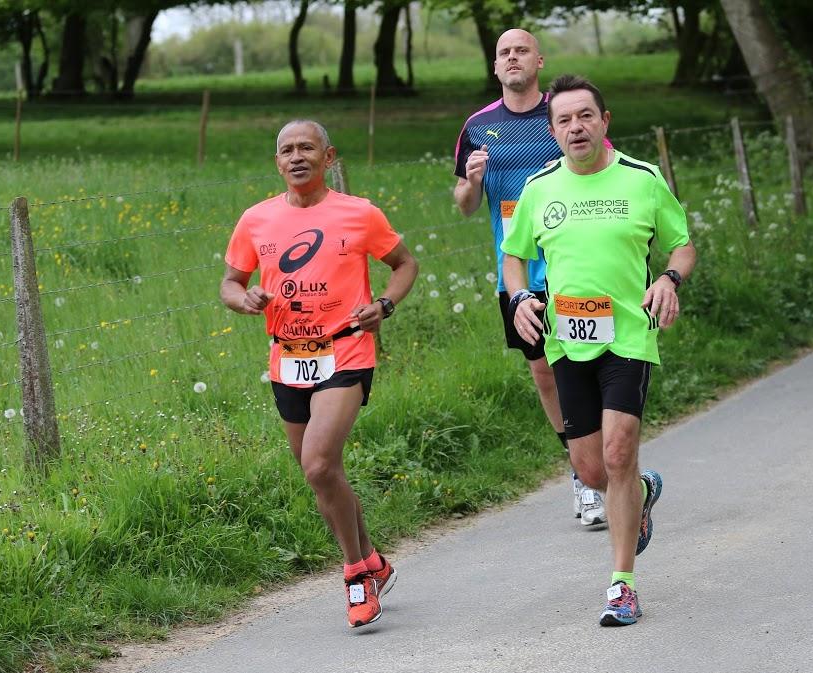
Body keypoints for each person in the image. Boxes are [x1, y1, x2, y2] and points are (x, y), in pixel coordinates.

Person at [502, 74, 696, 626]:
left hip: (628, 334)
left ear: (604, 121)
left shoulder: (642, 178)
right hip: (567, 340)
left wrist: (669, 280)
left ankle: (622, 585)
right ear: (553, 131)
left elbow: (682, 245)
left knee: (617, 453)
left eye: (585, 116)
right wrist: (520, 297)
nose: (576, 127)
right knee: (591, 471)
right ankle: (640, 490)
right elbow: (513, 256)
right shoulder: (539, 187)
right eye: (564, 120)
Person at [220, 120, 418, 628]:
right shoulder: (256, 219)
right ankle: (373, 561)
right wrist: (244, 299)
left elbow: (405, 265)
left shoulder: (359, 213)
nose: (296, 157)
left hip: (345, 350)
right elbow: (230, 283)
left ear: (328, 157)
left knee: (318, 464)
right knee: (324, 475)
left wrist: (385, 305)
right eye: (287, 150)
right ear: (277, 162)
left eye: (307, 147)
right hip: (287, 357)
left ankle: (355, 576)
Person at [453, 28, 607, 526]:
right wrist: (472, 181)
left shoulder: (565, 114)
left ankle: (609, 458)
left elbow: (604, 169)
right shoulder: (478, 127)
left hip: (576, 265)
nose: (513, 58)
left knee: (592, 366)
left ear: (539, 60)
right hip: (517, 272)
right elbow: (464, 205)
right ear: (495, 66)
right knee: (544, 373)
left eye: (522, 50)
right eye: (505, 52)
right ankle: (583, 472)